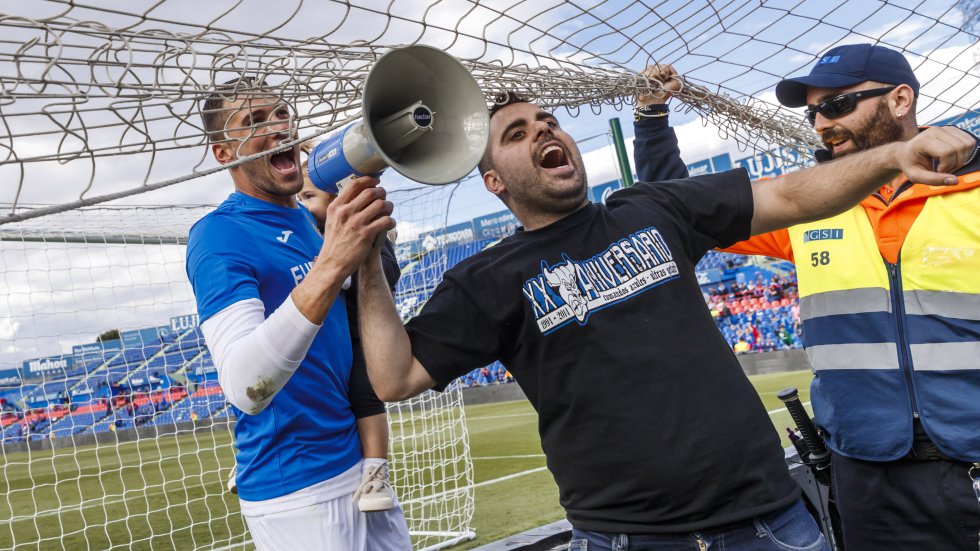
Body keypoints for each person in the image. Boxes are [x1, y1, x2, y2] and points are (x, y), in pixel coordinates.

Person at [350, 59, 974, 548]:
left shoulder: (652, 208)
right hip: (623, 537)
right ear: (494, 180)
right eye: (517, 134)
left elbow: (788, 193)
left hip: (769, 522)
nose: (545, 131)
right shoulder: (483, 277)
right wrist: (368, 261)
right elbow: (394, 375)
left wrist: (892, 155)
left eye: (549, 122)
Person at [633, 44, 980, 550]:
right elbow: (687, 207)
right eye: (814, 111)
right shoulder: (805, 205)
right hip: (865, 477)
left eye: (838, 106)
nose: (820, 123)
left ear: (901, 100)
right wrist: (650, 118)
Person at [185, 78, 410, 550]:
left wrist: (365, 248)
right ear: (223, 154)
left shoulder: (310, 222)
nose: (279, 127)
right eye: (254, 122)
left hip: (355, 464)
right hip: (297, 490)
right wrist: (333, 261)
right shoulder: (218, 235)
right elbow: (246, 387)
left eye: (282, 113)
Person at [296, 144, 400, 512]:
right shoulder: (307, 236)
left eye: (308, 195)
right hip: (326, 338)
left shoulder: (365, 230)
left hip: (359, 334)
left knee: (364, 391)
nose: (301, 203)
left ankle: (375, 472)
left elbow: (384, 272)